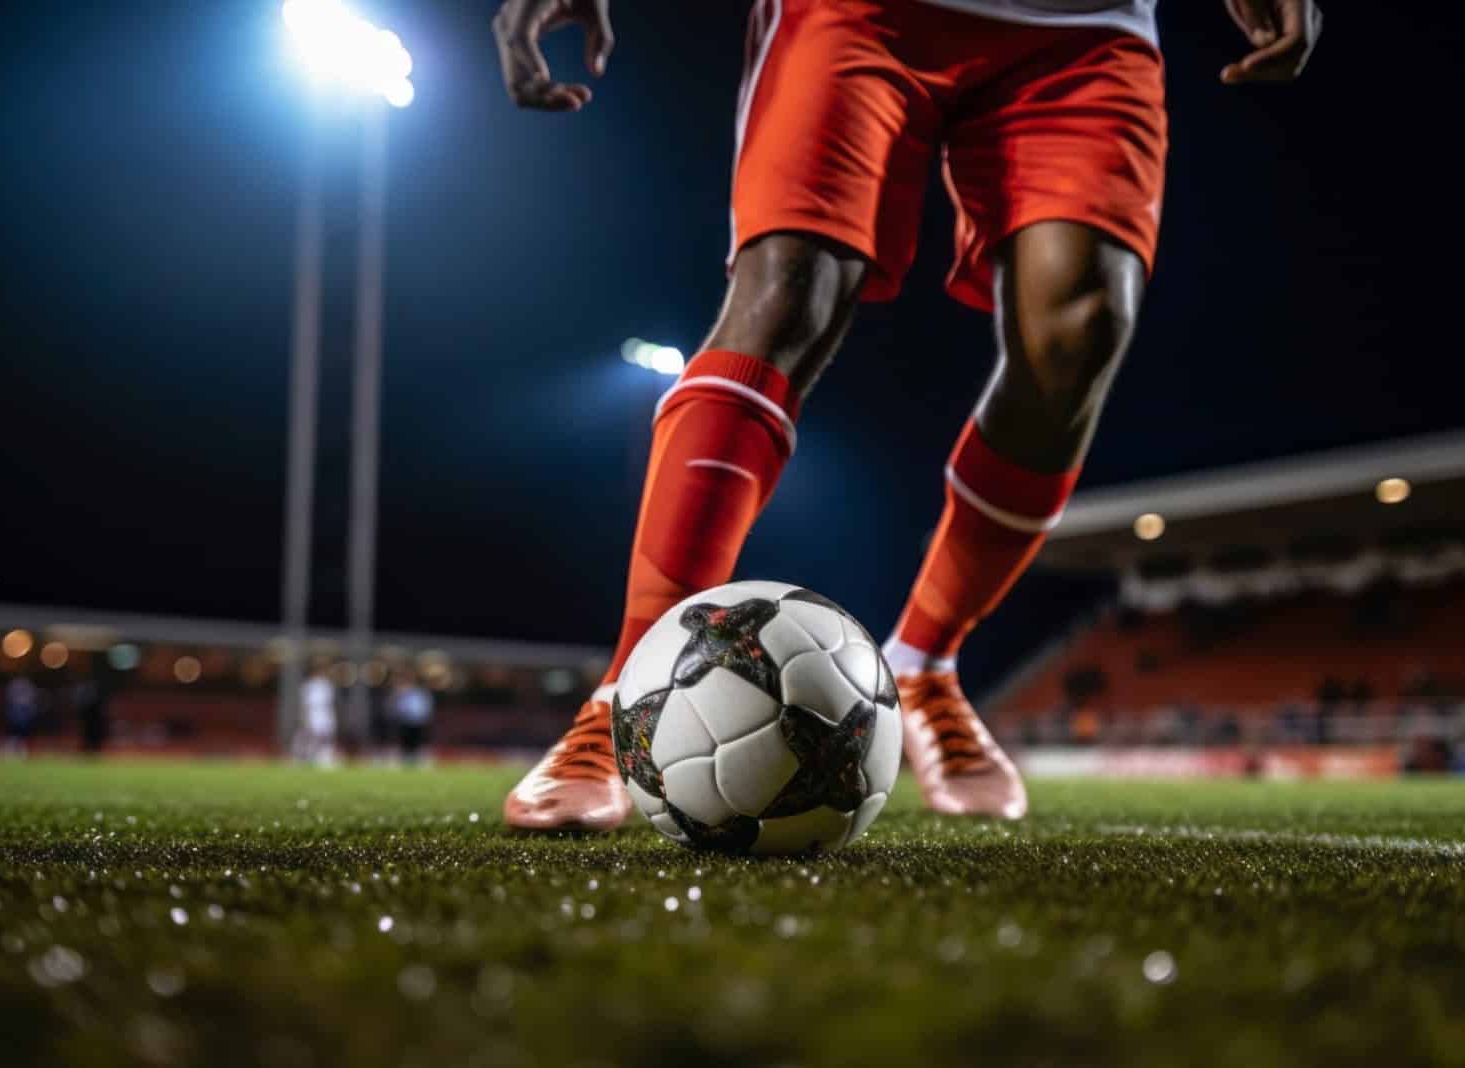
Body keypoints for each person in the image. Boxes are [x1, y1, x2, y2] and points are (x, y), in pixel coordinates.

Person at [491, 0, 1321, 830]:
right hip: (861, 11)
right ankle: (627, 697)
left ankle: (925, 662)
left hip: (1084, 25)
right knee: (787, 293)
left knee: (1081, 326)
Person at [295, 662, 339, 768]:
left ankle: (325, 758)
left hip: (326, 713)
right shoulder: (308, 685)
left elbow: (331, 703)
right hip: (313, 713)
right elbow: (305, 704)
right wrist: (304, 717)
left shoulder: (328, 684)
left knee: (326, 736)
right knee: (310, 737)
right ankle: (302, 758)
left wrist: (333, 716)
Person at [388, 671, 436, 765]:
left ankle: (420, 761)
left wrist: (425, 717)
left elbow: (426, 707)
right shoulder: (401, 693)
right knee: (406, 744)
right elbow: (397, 706)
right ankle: (405, 760)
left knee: (419, 743)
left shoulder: (421, 693)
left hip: (418, 722)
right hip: (405, 721)